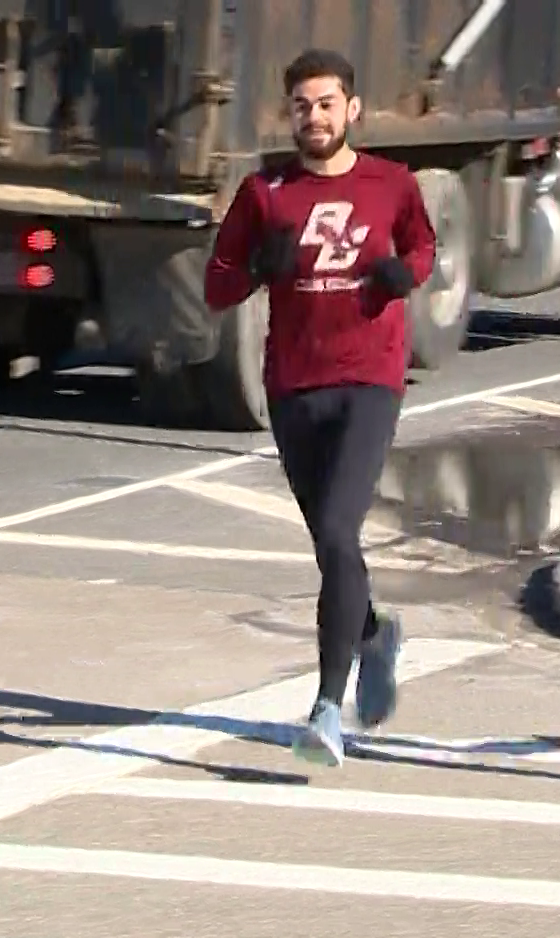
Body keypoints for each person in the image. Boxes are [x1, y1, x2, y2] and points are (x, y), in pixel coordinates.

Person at [204, 47, 437, 767]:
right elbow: (215, 287)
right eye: (302, 106)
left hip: (370, 378)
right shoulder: (265, 192)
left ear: (352, 110)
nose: (315, 117)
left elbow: (424, 245)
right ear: (290, 113)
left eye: (327, 104)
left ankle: (327, 707)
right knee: (332, 547)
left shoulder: (391, 184)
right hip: (294, 386)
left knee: (339, 529)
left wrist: (405, 275)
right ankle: (374, 635)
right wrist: (254, 271)